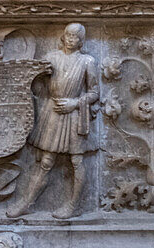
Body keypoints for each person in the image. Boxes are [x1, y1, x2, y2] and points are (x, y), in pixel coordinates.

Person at [7, 24, 98, 220]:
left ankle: (75, 205)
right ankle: (27, 202)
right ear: (63, 36)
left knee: (77, 161)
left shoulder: (87, 61)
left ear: (82, 41)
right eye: (69, 35)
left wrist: (75, 103)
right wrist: (35, 78)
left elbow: (94, 92)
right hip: (54, 112)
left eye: (76, 36)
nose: (71, 39)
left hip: (74, 114)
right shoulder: (51, 57)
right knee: (46, 161)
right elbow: (39, 85)